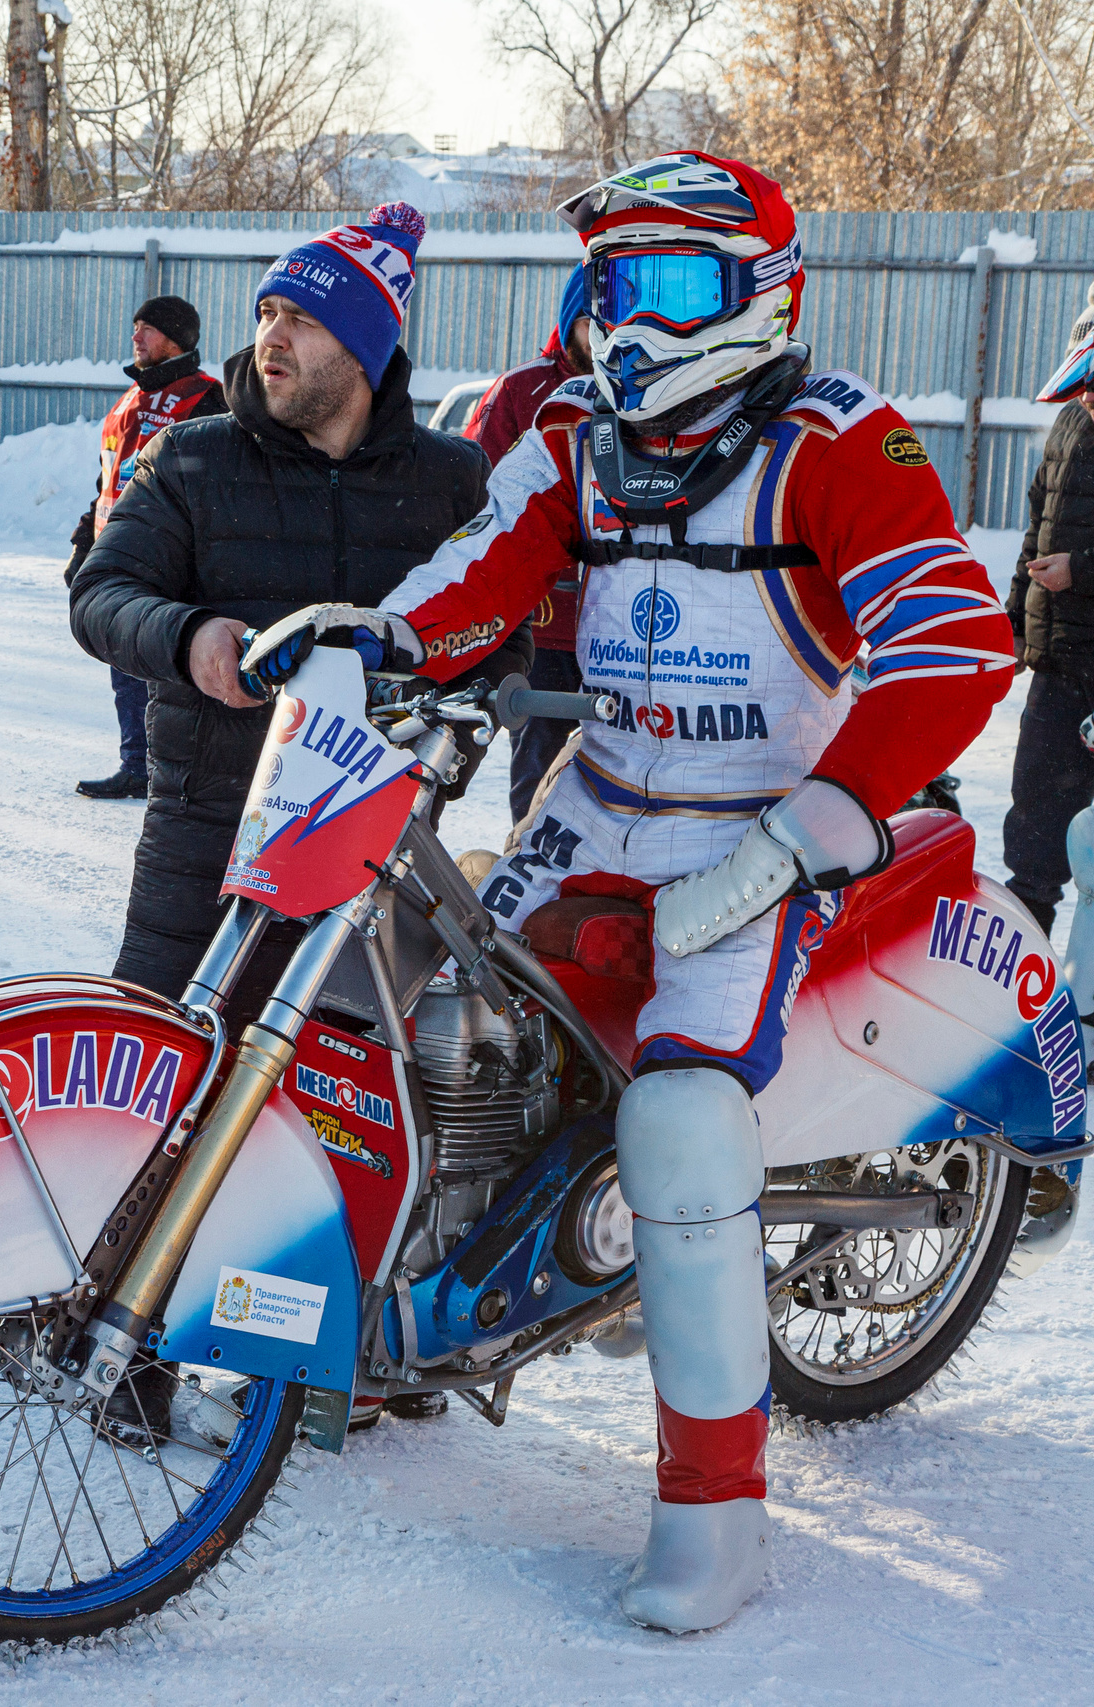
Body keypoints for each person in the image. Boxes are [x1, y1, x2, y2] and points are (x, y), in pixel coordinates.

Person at [242, 152, 1012, 1633]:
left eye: (664, 285)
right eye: (608, 284)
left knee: (676, 1110)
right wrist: (372, 643)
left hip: (762, 825)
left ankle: (717, 1511)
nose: (627, 321)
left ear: (762, 293)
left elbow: (959, 639)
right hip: (594, 799)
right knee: (420, 1006)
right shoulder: (580, 442)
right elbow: (477, 565)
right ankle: (357, 1342)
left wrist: (817, 823)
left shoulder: (841, 439)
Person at [70, 203, 520, 1000]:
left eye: (303, 319)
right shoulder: (191, 456)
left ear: (364, 349)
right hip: (204, 843)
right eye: (267, 312)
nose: (270, 338)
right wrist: (190, 636)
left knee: (345, 1103)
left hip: (377, 849)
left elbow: (502, 635)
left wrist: (443, 743)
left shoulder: (451, 479)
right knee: (159, 1078)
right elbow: (101, 592)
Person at [68, 294, 226, 800]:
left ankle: (182, 773)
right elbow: (106, 482)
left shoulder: (209, 400)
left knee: (176, 671)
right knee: (126, 665)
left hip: (177, 556)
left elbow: (223, 489)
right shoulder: (128, 403)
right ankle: (137, 764)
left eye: (147, 328)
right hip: (120, 552)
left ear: (176, 339)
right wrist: (82, 547)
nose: (135, 336)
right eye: (135, 325)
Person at [465, 265, 595, 821]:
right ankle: (525, 875)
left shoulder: (655, 396)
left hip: (628, 627)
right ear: (572, 324)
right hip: (547, 627)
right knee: (539, 767)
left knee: (623, 766)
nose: (615, 333)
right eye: (597, 320)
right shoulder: (523, 390)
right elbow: (476, 498)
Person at [1001, 300, 1094, 932]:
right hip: (1059, 665)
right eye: (1083, 384)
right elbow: (1036, 535)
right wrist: (1011, 625)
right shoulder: (1067, 425)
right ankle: (1021, 970)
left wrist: (1082, 570)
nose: (1087, 397)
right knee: (1034, 822)